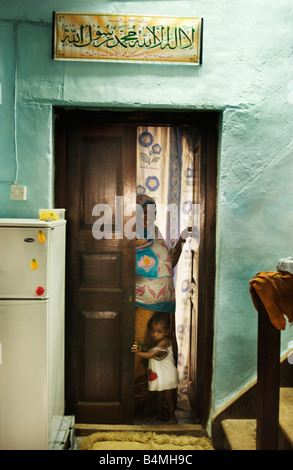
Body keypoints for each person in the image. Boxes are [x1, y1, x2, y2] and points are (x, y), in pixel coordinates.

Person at [134, 194, 187, 416]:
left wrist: (181, 242)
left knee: (163, 355)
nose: (148, 218)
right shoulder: (130, 237)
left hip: (165, 304)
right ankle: (140, 405)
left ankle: (164, 406)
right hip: (144, 304)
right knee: (143, 354)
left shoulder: (155, 233)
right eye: (143, 213)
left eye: (152, 213)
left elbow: (169, 262)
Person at [131, 311, 179, 424]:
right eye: (152, 330)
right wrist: (143, 349)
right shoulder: (156, 342)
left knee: (167, 397)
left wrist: (138, 353)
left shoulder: (164, 342)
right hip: (160, 376)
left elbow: (150, 355)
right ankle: (160, 413)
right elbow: (150, 351)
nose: (155, 334)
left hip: (167, 377)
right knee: (159, 396)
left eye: (159, 331)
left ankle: (173, 418)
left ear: (167, 332)